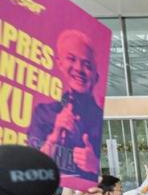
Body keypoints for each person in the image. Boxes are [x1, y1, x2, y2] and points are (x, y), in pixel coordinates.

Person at [28, 30, 103, 183]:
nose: (78, 68)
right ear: (60, 63)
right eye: (71, 59)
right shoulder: (43, 113)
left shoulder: (102, 119)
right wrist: (54, 135)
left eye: (87, 64)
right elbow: (31, 168)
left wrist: (95, 165)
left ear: (96, 77)